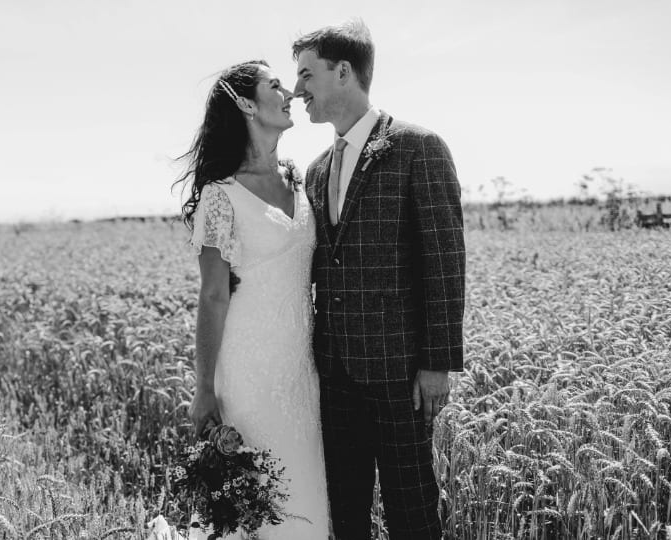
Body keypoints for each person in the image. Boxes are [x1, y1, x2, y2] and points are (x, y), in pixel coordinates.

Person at [293, 20, 466, 539]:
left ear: (343, 71)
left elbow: (445, 260)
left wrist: (438, 363)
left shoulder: (419, 147)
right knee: (345, 513)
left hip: (401, 374)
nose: (297, 89)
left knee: (411, 511)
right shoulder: (317, 169)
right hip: (335, 371)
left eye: (306, 74)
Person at [177, 60, 330, 539]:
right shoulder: (220, 197)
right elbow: (214, 296)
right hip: (248, 376)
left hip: (301, 373)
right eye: (275, 85)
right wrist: (204, 388)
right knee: (258, 511)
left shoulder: (301, 183)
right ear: (245, 103)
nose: (290, 92)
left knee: (306, 508)